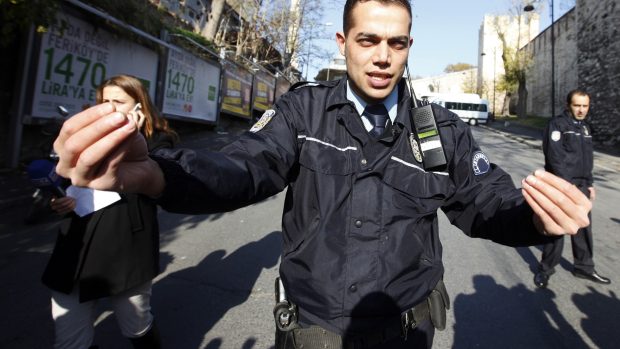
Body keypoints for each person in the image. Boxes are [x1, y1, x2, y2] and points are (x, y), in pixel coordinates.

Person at [51, 1, 592, 348]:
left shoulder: (442, 130)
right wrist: (158, 175)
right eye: (368, 40)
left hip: (407, 328)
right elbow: (244, 165)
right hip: (313, 330)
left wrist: (537, 220)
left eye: (396, 43)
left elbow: (485, 201)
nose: (382, 57)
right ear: (343, 42)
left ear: (408, 47)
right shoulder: (301, 114)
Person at [42, 74, 178, 349]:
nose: (111, 108)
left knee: (137, 325)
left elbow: (161, 183)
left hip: (126, 245)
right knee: (69, 338)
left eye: (119, 101)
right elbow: (65, 180)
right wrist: (58, 202)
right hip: (76, 242)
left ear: (139, 105)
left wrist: (134, 139)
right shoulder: (86, 137)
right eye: (105, 101)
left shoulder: (160, 139)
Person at [533, 90, 610, 288]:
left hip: (582, 185)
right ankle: (545, 269)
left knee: (583, 228)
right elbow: (555, 158)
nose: (582, 110)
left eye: (585, 106)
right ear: (569, 105)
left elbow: (587, 159)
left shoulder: (584, 127)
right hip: (563, 187)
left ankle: (584, 267)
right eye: (577, 105)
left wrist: (590, 183)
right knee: (557, 230)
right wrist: (568, 187)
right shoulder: (557, 125)